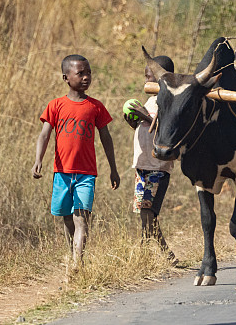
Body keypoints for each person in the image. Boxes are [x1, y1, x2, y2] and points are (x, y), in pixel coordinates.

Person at [32, 54, 120, 277]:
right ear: (66, 77)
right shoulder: (56, 105)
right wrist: (38, 161)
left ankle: (76, 266)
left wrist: (113, 168)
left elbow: (106, 139)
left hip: (86, 174)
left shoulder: (96, 107)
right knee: (67, 218)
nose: (86, 77)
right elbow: (44, 135)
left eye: (88, 72)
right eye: (80, 73)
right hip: (61, 173)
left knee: (82, 218)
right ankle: (73, 252)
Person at [123, 55, 177, 265]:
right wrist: (134, 120)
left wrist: (144, 116)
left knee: (148, 210)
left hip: (158, 166)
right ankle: (162, 254)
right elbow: (145, 128)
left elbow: (164, 127)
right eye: (146, 77)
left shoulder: (169, 101)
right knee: (145, 213)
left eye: (152, 77)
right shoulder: (148, 100)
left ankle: (146, 254)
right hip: (142, 165)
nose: (148, 82)